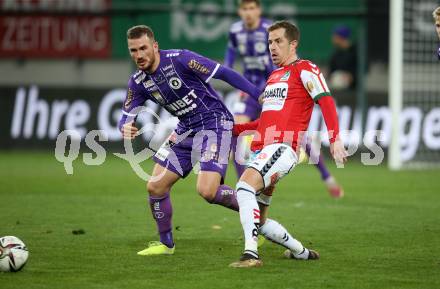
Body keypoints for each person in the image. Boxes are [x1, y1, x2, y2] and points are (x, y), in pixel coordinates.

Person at [119, 25, 263, 256]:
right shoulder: (138, 82)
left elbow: (224, 73)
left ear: (154, 46)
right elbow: (126, 115)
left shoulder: (181, 59)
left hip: (215, 124)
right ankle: (166, 245)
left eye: (143, 48)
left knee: (207, 191)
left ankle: (257, 218)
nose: (139, 55)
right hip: (185, 130)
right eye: (133, 50)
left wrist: (258, 94)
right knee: (155, 185)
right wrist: (124, 126)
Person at [229, 20, 348, 268]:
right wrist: (234, 129)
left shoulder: (305, 69)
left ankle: (250, 255)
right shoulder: (273, 76)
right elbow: (264, 122)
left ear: (293, 44)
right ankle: (301, 252)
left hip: (282, 149)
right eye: (269, 42)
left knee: (243, 187)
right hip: (264, 150)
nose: (272, 47)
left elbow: (326, 101)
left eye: (278, 41)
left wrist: (335, 138)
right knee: (259, 221)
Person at [225, 0, 344, 198]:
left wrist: (270, 91)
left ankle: (326, 177)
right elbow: (229, 63)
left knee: (295, 135)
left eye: (252, 8)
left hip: (273, 88)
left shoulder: (270, 31)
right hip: (251, 91)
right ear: (239, 11)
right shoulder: (235, 31)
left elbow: (280, 68)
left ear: (259, 10)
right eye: (244, 9)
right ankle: (245, 185)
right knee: (236, 130)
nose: (248, 13)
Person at [328, 25, 357, 90]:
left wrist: (352, 76)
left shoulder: (356, 51)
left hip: (355, 88)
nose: (332, 38)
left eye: (335, 36)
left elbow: (361, 69)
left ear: (340, 37)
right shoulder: (335, 54)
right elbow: (331, 71)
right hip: (338, 87)